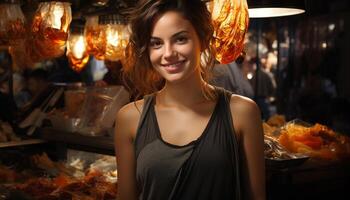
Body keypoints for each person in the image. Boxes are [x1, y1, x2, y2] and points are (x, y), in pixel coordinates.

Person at [114, 0, 265, 199]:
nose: (168, 54)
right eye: (156, 43)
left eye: (180, 39)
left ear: (202, 40)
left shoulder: (242, 113)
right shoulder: (130, 118)